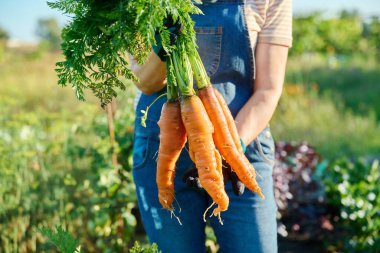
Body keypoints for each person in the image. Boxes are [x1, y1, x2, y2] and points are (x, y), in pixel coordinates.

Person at [130, 0, 292, 252]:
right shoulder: (145, 4)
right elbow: (144, 81)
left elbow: (268, 91)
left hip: (242, 147)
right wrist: (164, 46)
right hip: (163, 153)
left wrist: (230, 149)